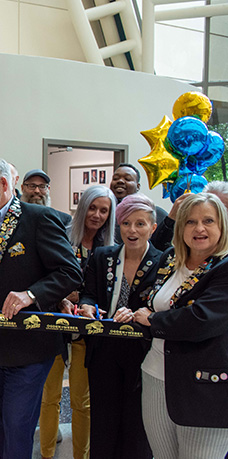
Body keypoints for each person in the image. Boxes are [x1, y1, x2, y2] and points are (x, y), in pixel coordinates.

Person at [0, 157, 82, 458]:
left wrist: (31, 293)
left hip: (28, 344)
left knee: (17, 424)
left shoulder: (38, 218)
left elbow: (70, 273)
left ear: (4, 184)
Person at [134, 193, 228, 458]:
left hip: (205, 386)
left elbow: (201, 320)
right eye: (190, 221)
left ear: (222, 225)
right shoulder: (169, 260)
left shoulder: (224, 267)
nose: (199, 228)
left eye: (208, 221)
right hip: (155, 376)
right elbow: (149, 298)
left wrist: (152, 321)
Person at [78, 193, 162, 459]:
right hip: (104, 348)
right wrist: (88, 305)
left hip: (142, 351)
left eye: (140, 224)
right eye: (126, 223)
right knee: (103, 418)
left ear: (153, 227)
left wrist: (141, 311)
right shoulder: (103, 256)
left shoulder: (163, 261)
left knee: (136, 420)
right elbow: (88, 293)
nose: (132, 230)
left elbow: (160, 305)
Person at [38, 185, 115, 459]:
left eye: (104, 210)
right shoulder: (62, 236)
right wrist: (61, 300)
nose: (96, 215)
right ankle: (47, 454)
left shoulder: (111, 249)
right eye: (92, 208)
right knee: (50, 399)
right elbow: (47, 277)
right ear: (82, 208)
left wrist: (87, 304)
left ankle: (81, 455)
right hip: (56, 329)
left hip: (88, 333)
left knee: (83, 402)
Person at [110, 163, 169, 248]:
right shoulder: (105, 214)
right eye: (115, 178)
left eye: (127, 179)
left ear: (138, 186)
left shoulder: (158, 214)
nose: (120, 181)